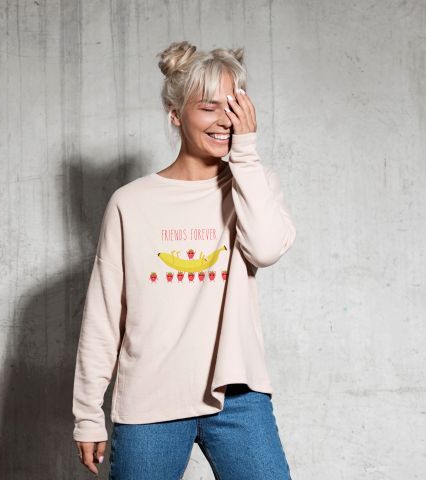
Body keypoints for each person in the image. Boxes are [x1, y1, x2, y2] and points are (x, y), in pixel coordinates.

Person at [72, 40, 296, 479]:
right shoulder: (131, 202)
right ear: (175, 115)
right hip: (150, 397)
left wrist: (246, 153)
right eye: (208, 107)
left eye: (234, 106)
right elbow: (104, 314)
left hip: (237, 396)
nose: (225, 120)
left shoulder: (253, 183)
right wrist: (87, 414)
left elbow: (266, 249)